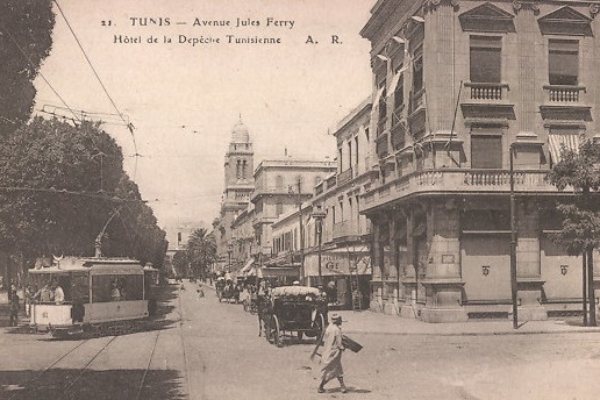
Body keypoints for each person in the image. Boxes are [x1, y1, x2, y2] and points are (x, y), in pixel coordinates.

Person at [318, 312, 347, 394]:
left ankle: (342, 386)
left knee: (337, 369)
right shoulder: (337, 330)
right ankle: (321, 386)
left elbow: (324, 340)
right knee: (332, 370)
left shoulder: (328, 328)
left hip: (327, 351)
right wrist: (343, 347)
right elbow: (339, 343)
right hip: (334, 353)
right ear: (338, 321)